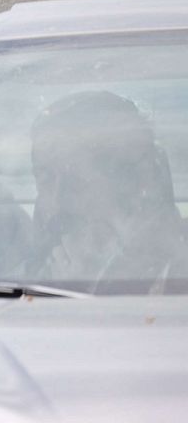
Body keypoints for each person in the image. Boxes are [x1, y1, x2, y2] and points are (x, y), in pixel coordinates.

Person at [30, 91, 185, 289]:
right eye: (44, 179)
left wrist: (87, 288)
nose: (56, 201)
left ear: (131, 184)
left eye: (76, 181)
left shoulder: (178, 267)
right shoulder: (13, 272)